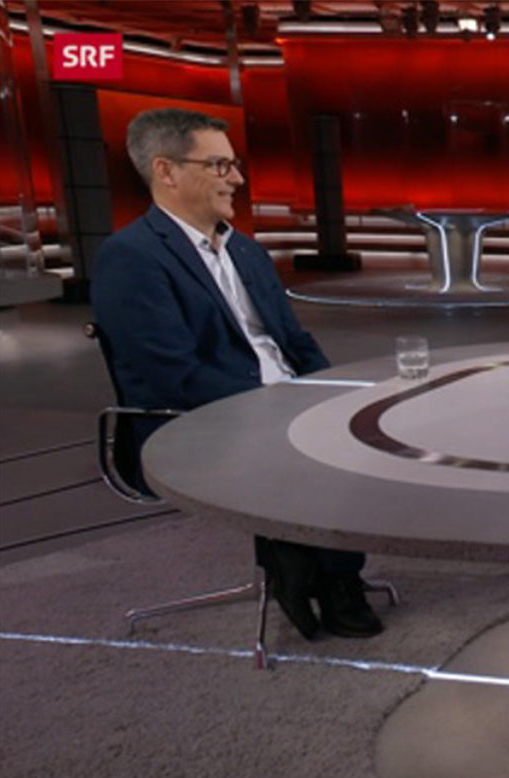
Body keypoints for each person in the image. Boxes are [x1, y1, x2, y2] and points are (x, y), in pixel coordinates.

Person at [90, 108, 383, 642]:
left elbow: (295, 342)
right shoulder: (130, 258)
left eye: (235, 164)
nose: (238, 179)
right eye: (220, 166)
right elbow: (175, 377)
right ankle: (334, 578)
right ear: (166, 171)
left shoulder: (245, 250)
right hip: (192, 420)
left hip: (279, 401)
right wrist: (277, 407)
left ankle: (304, 558)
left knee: (364, 424)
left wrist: (330, 394)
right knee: (311, 450)